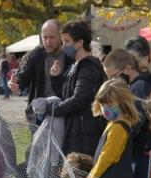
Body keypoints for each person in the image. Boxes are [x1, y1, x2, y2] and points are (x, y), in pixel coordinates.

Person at [103, 49, 151, 178]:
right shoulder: (139, 85)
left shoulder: (139, 87)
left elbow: (135, 121)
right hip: (145, 151)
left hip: (146, 153)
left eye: (113, 76)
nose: (111, 82)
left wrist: (121, 132)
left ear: (127, 69)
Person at [45, 20, 106, 157]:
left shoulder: (88, 67)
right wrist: (56, 78)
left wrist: (53, 110)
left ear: (79, 43)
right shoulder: (75, 66)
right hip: (75, 130)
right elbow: (64, 95)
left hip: (84, 135)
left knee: (78, 175)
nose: (63, 45)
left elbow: (79, 99)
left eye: (67, 41)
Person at [9, 19, 74, 126]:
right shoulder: (36, 54)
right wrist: (16, 83)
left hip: (62, 113)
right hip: (38, 114)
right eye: (45, 37)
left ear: (61, 36)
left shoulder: (70, 56)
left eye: (52, 37)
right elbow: (24, 74)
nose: (48, 41)